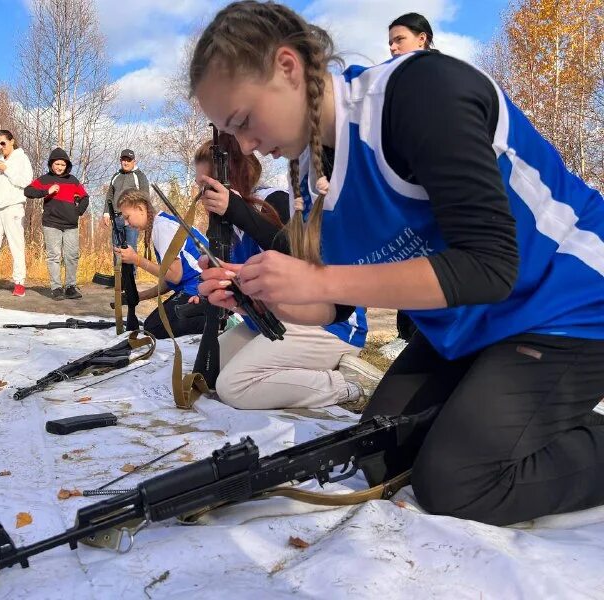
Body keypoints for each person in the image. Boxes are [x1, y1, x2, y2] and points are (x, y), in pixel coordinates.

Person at [190, 1, 604, 527]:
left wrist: (315, 276)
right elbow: (337, 303)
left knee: (457, 482)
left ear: (288, 67)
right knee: (379, 451)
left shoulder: (416, 93)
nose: (248, 144)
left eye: (244, 121)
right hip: (471, 324)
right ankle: (538, 416)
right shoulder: (308, 167)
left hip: (567, 301)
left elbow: (491, 267)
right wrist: (260, 293)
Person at [194, 134, 381, 410]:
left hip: (329, 324)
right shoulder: (227, 229)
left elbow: (297, 255)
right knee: (209, 370)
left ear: (227, 177)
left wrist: (239, 211)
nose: (201, 195)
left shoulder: (275, 201)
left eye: (205, 186)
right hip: (273, 321)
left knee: (233, 386)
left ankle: (348, 385)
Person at [382, 12, 437, 358]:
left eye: (399, 39)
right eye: (389, 42)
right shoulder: (396, 81)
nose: (392, 47)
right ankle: (410, 334)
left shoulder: (437, 78)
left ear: (423, 38)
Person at [115, 189, 207, 339]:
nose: (126, 223)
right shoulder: (162, 223)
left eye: (127, 217)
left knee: (154, 327)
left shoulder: (161, 228)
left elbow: (175, 276)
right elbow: (169, 280)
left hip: (202, 286)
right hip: (198, 284)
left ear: (140, 208)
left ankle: (220, 320)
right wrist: (140, 296)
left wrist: (136, 259)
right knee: (153, 324)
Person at [24, 148, 89, 300]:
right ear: (51, 164)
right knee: (54, 256)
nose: (60, 167)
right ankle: (56, 288)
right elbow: (28, 191)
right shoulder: (45, 179)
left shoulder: (73, 180)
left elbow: (85, 197)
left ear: (67, 165)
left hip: (71, 225)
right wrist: (46, 191)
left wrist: (77, 212)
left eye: (63, 164)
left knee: (71, 256)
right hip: (51, 223)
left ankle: (71, 287)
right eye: (57, 164)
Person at [0, 129, 33, 297]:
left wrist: (6, 169)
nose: (0, 147)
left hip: (13, 206)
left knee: (16, 244)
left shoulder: (22, 159)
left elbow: (26, 182)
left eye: (3, 143)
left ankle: (19, 283)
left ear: (12, 141)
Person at [102, 149, 149, 253]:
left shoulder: (140, 176)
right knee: (117, 251)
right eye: (124, 160)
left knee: (130, 251)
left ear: (134, 161)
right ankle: (117, 270)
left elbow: (145, 197)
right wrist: (106, 213)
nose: (126, 162)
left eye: (129, 160)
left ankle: (131, 270)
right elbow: (110, 195)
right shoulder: (116, 176)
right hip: (116, 218)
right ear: (120, 160)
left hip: (132, 219)